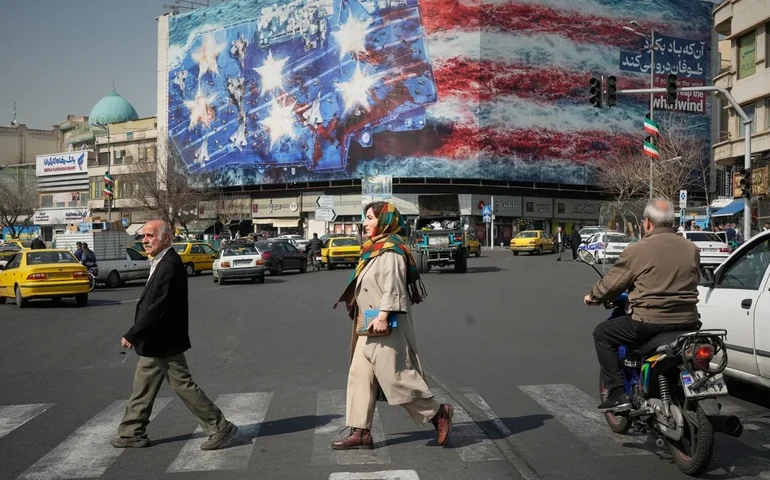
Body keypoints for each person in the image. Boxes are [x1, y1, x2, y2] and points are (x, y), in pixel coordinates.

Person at [332, 202, 453, 450]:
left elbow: (393, 286)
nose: (364, 223)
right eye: (365, 218)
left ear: (385, 221)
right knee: (359, 375)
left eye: (369, 218)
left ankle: (438, 413)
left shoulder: (392, 250)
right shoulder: (374, 250)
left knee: (394, 376)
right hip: (368, 322)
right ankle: (361, 430)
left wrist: (384, 315)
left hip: (385, 323)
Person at [111, 220, 238, 450]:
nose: (145, 240)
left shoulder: (169, 264)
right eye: (143, 236)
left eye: (150, 236)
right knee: (143, 384)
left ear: (166, 238)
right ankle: (131, 431)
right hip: (154, 340)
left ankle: (219, 427)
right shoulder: (160, 261)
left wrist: (134, 333)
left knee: (182, 385)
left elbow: (157, 305)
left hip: (164, 340)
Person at [585, 198, 701, 412]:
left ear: (647, 223)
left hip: (649, 322)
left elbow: (613, 284)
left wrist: (593, 296)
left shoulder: (638, 249)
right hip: (689, 321)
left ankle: (619, 393)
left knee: (602, 334)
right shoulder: (691, 248)